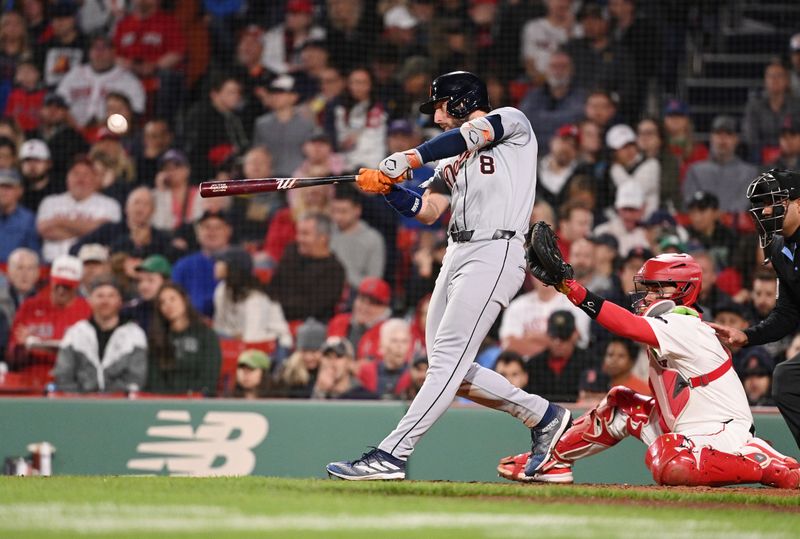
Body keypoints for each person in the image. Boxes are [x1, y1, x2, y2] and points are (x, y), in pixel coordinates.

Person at [326, 71, 572, 481]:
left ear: (460, 102)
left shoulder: (512, 122)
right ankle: (544, 416)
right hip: (456, 252)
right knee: (447, 368)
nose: (437, 116)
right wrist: (389, 189)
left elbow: (469, 135)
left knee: (446, 364)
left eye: (440, 107)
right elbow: (427, 210)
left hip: (496, 249)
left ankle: (391, 455)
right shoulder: (449, 159)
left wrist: (409, 159)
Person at [498, 252, 800, 488]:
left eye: (658, 287)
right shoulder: (671, 323)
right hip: (685, 426)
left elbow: (626, 325)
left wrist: (572, 289)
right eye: (648, 287)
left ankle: (766, 464)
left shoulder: (684, 323)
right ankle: (551, 461)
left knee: (668, 460)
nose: (648, 294)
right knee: (620, 405)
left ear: (683, 290)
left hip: (721, 435)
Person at [711, 169, 800, 450]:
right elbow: (787, 314)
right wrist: (746, 336)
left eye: (773, 202)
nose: (764, 211)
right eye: (760, 204)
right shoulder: (779, 249)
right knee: (787, 379)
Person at [7, 254, 91, 386]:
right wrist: (21, 347)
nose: (61, 291)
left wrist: (37, 346)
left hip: (73, 380)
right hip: (30, 378)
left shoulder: (87, 310)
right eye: (58, 285)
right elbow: (12, 357)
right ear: (51, 281)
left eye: (67, 286)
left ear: (77, 286)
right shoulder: (30, 306)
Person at [52, 276, 147, 393]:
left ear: (119, 301)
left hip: (121, 405)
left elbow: (136, 378)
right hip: (80, 405)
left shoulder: (134, 335)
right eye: (100, 296)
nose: (105, 301)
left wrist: (107, 399)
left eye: (111, 296)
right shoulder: (75, 333)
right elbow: (63, 376)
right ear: (90, 300)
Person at [36, 157, 121, 262]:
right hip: (51, 263)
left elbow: (105, 233)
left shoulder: (110, 204)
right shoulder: (50, 201)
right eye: (75, 174)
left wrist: (59, 221)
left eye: (86, 174)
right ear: (67, 178)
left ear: (95, 178)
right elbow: (44, 230)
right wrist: (88, 230)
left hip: (91, 266)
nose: (80, 179)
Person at [266, 212, 346, 323]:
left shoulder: (334, 270)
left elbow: (311, 308)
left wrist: (276, 309)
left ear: (323, 238)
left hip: (312, 325)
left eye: (305, 234)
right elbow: (274, 287)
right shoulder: (292, 251)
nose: (299, 239)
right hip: (277, 317)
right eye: (298, 233)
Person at [56, 33, 145, 130]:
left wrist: (107, 124)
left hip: (112, 133)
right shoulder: (75, 74)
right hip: (72, 132)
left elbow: (136, 112)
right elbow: (58, 104)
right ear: (89, 52)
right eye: (95, 48)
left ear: (113, 52)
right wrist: (73, 125)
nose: (99, 52)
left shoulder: (128, 80)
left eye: (104, 48)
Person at [147, 283, 221, 396]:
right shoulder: (157, 338)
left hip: (197, 400)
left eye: (173, 299)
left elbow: (210, 375)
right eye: (162, 302)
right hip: (164, 401)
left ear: (184, 300)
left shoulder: (206, 335)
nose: (168, 305)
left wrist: (191, 395)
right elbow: (153, 378)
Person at [212, 247, 292, 349]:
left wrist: (236, 338)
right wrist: (234, 336)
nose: (216, 266)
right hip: (237, 340)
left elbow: (253, 340)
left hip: (273, 345)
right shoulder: (221, 289)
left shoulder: (256, 298)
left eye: (220, 262)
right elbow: (219, 328)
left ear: (233, 267)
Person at [682, 116, 758, 213]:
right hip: (701, 226)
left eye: (728, 134)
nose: (722, 139)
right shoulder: (695, 171)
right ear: (711, 138)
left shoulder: (749, 172)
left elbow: (743, 205)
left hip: (736, 226)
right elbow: (690, 203)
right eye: (718, 133)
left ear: (736, 139)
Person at [329, 184, 386, 292]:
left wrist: (345, 278)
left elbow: (374, 282)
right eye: (334, 211)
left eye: (343, 211)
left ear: (357, 210)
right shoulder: (327, 232)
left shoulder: (373, 239)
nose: (338, 217)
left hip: (358, 294)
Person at [525, 310, 591, 402]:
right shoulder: (533, 364)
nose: (558, 342)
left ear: (575, 334)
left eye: (563, 337)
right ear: (547, 334)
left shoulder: (589, 362)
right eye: (554, 336)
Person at [312, 336, 375, 400]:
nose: (332, 362)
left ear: (349, 362)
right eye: (328, 357)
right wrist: (320, 391)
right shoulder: (311, 389)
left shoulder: (363, 396)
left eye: (338, 356)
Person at [0, 168, 38, 261]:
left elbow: (34, 254)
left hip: (16, 271)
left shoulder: (28, 219)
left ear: (20, 191)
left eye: (8, 187)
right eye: (0, 187)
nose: (3, 192)